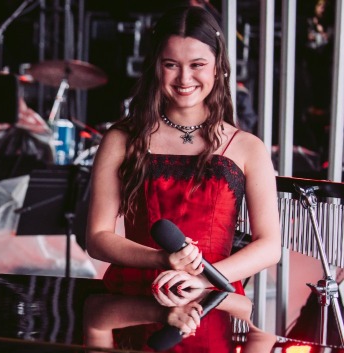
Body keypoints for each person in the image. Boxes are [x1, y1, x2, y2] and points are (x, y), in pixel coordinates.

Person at [86, 6, 280, 306]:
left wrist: (204, 278)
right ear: (155, 66)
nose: (184, 77)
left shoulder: (247, 147)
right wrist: (162, 259)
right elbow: (97, 237)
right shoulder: (121, 139)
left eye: (198, 64)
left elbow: (269, 246)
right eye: (171, 64)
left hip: (213, 298)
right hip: (133, 300)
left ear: (218, 67)